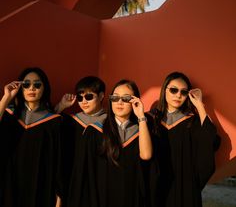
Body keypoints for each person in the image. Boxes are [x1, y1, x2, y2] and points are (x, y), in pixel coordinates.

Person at [75, 79, 153, 207]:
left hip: (132, 198)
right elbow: (84, 175)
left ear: (135, 101)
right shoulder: (94, 131)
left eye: (126, 98)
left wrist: (141, 117)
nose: (119, 102)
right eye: (115, 98)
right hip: (101, 199)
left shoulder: (142, 131)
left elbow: (146, 155)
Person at [149, 71, 220, 207]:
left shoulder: (192, 122)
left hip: (185, 188)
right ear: (165, 90)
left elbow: (211, 141)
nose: (178, 95)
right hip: (156, 187)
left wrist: (199, 105)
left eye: (184, 92)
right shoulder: (150, 119)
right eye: (174, 90)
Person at [0, 67, 62, 207]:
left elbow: (59, 164)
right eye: (26, 84)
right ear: (21, 88)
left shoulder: (54, 122)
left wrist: (58, 201)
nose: (32, 88)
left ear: (44, 88)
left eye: (37, 84)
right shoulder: (10, 115)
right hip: (9, 186)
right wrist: (6, 97)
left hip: (41, 190)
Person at [54, 76, 106, 206]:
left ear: (101, 96)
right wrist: (61, 106)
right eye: (80, 97)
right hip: (72, 183)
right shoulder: (72, 121)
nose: (84, 101)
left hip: (97, 184)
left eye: (89, 97)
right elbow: (48, 130)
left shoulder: (109, 124)